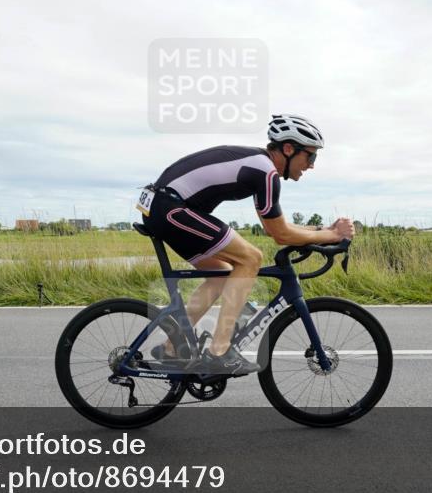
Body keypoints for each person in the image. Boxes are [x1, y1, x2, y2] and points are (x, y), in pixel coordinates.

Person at [137, 114, 355, 375]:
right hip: (170, 207)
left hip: (164, 207)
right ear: (288, 149)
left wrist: (324, 230)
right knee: (251, 258)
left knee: (221, 275)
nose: (311, 165)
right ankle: (219, 351)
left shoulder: (259, 166)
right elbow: (281, 235)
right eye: (311, 156)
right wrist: (330, 236)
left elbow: (275, 226)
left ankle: (172, 347)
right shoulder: (264, 171)